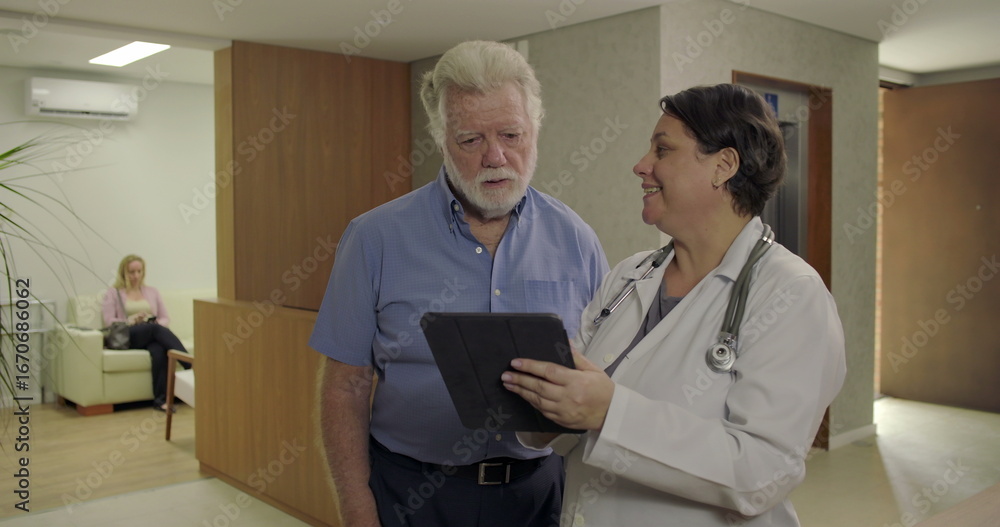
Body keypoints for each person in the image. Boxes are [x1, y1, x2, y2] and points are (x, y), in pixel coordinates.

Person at [503, 84, 847, 526]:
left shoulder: (791, 294)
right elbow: (572, 427)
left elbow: (761, 472)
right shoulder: (629, 277)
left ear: (723, 166)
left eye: (662, 150)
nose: (641, 166)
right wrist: (544, 403)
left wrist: (610, 412)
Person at [309, 40, 609, 527]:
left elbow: (601, 372)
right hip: (410, 494)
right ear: (441, 137)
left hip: (538, 494)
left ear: (535, 130)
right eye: (471, 140)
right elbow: (345, 386)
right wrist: (356, 506)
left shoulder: (576, 239)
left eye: (512, 135)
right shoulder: (374, 238)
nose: (496, 156)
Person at [102, 254, 190, 412]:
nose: (136, 276)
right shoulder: (113, 293)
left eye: (139, 271)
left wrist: (153, 322)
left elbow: (165, 318)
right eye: (131, 272)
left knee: (159, 350)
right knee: (155, 330)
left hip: (151, 334)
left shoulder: (152, 291)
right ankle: (190, 364)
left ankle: (161, 401)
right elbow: (108, 321)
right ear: (124, 273)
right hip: (129, 335)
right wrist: (131, 320)